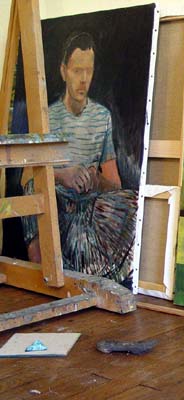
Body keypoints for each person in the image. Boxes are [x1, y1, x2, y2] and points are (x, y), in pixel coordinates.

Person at [22, 32, 137, 286]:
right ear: (64, 71)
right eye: (77, 71)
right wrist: (63, 175)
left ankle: (96, 278)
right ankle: (41, 274)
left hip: (90, 208)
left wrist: (96, 179)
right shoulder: (47, 117)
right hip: (58, 207)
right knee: (32, 190)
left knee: (136, 202)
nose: (83, 79)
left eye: (88, 71)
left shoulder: (102, 116)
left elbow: (115, 185)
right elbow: (27, 178)